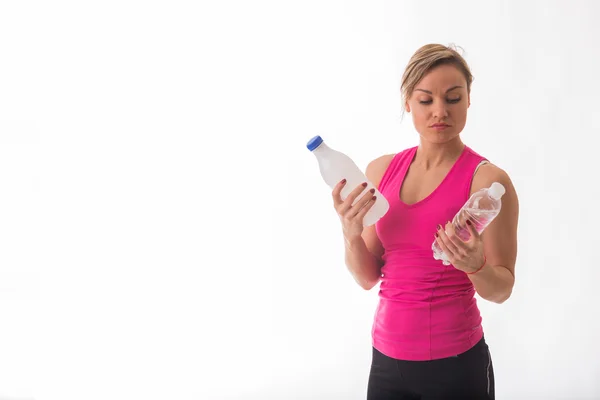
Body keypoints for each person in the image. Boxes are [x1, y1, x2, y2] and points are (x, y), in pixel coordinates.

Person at [331, 44, 519, 399]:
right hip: (386, 362)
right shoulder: (381, 171)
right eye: (425, 100)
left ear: (468, 100)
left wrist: (475, 265)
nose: (439, 112)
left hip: (457, 366)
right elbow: (367, 277)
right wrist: (351, 234)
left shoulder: (488, 183)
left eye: (452, 98)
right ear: (407, 102)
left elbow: (502, 289)